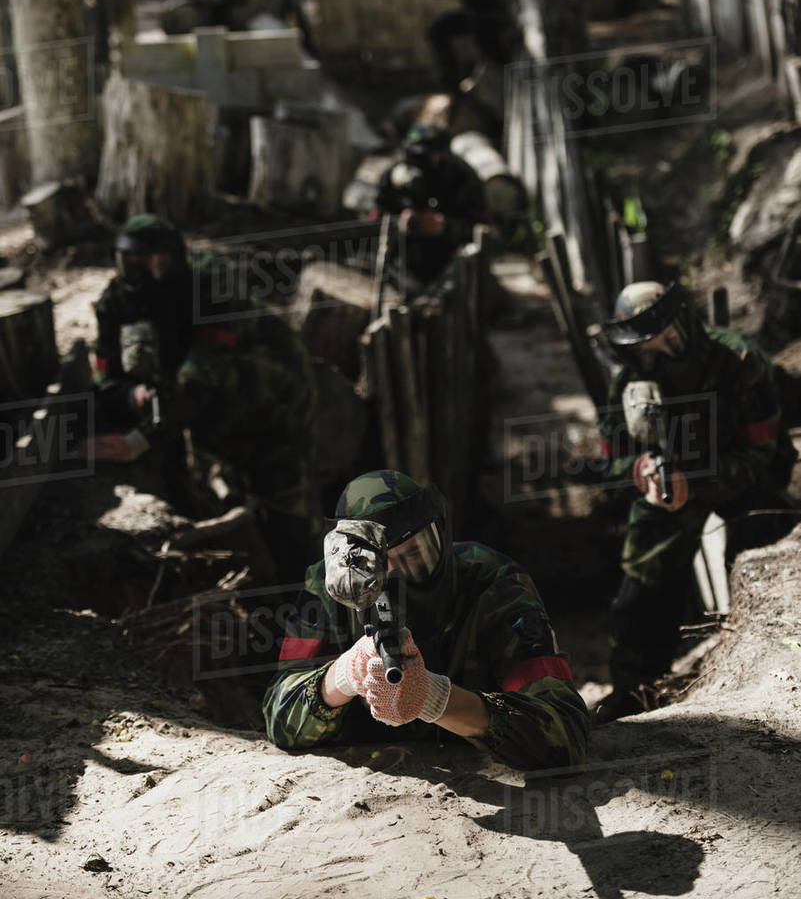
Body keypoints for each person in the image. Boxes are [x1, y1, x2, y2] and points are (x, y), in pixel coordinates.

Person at [263, 470, 590, 771]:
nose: (397, 577)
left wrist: (435, 699)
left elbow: (565, 733)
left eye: (416, 554)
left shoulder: (494, 584)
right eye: (375, 567)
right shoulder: (327, 592)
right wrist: (344, 675)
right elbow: (279, 714)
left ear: (442, 533)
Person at [595, 280, 797, 724]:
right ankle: (635, 694)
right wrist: (639, 472)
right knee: (642, 588)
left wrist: (700, 482)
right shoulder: (630, 382)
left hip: (740, 483)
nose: (658, 353)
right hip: (666, 492)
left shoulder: (739, 360)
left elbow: (763, 457)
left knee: (764, 549)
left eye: (665, 339)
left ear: (682, 324)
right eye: (645, 346)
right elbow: (608, 465)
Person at [87, 213, 318, 578]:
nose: (147, 275)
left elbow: (205, 373)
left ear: (177, 258)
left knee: (286, 506)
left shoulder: (212, 281)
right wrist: (136, 397)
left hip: (269, 398)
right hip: (195, 410)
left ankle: (300, 584)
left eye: (158, 263)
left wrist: (142, 438)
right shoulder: (115, 302)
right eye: (132, 264)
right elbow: (106, 377)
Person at [376, 123, 490, 286]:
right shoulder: (395, 176)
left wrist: (446, 227)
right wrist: (399, 223)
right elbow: (374, 217)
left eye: (425, 156)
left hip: (453, 265)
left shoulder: (463, 179)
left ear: (444, 155)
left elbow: (486, 231)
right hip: (402, 264)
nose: (419, 163)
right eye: (413, 155)